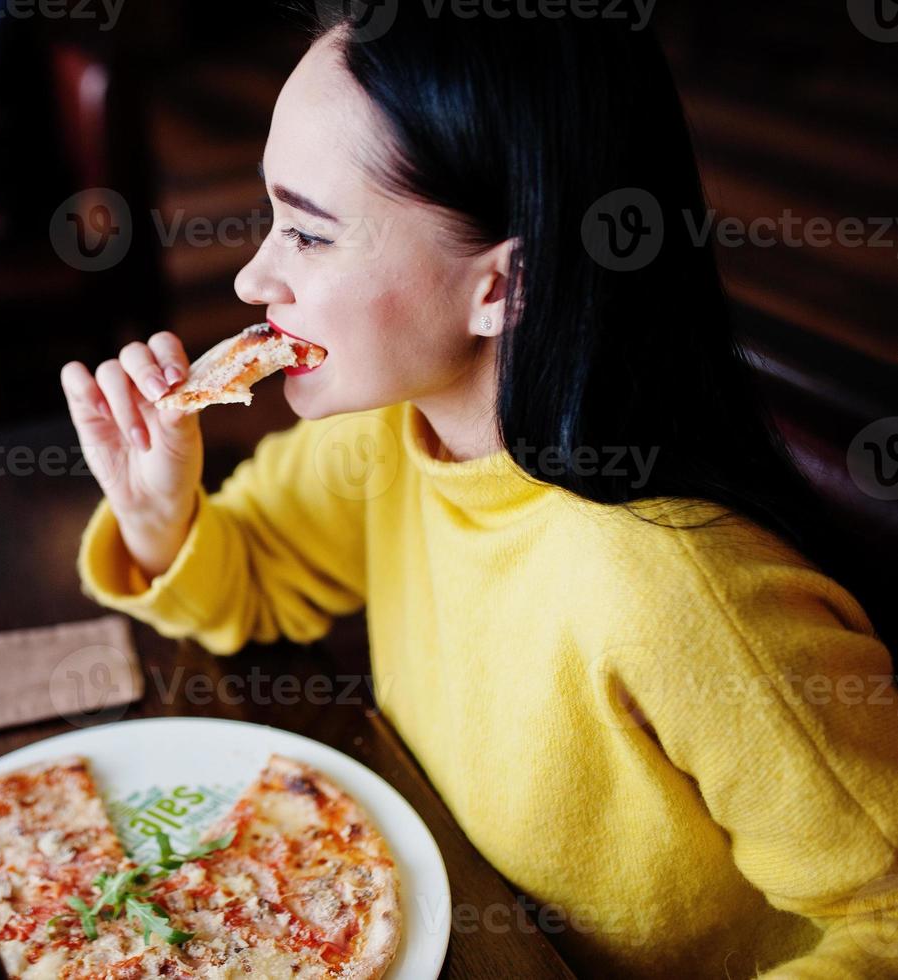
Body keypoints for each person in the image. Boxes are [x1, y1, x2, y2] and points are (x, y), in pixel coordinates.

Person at [58, 9, 898, 980]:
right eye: (270, 218)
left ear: (502, 287)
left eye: (309, 233)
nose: (253, 274)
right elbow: (250, 576)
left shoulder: (677, 591)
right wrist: (162, 514)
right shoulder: (394, 433)